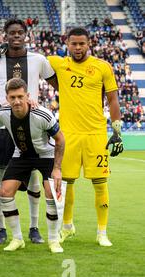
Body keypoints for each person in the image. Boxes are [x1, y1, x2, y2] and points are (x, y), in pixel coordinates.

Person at [0, 18, 58, 245]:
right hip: (3, 125)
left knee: (33, 178)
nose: (16, 36)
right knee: (0, 177)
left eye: (20, 32)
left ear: (26, 35)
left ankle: (34, 228)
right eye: (11, 33)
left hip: (31, 123)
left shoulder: (38, 60)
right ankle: (2, 229)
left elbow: (58, 83)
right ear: (5, 35)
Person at [48, 27, 123, 247]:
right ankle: (67, 227)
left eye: (82, 43)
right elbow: (29, 59)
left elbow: (113, 99)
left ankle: (102, 232)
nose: (78, 47)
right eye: (74, 43)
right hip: (68, 134)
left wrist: (117, 131)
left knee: (100, 183)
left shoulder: (102, 67)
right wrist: (7, 49)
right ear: (67, 43)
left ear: (88, 43)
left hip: (96, 134)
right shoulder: (58, 63)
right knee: (66, 183)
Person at [0, 78, 65, 253]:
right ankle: (17, 238)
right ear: (7, 97)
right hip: (21, 155)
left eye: (20, 96)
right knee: (5, 192)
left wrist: (57, 168)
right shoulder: (2, 113)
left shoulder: (42, 114)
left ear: (28, 96)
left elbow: (60, 139)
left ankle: (53, 240)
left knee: (50, 193)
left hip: (46, 156)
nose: (17, 101)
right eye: (12, 97)